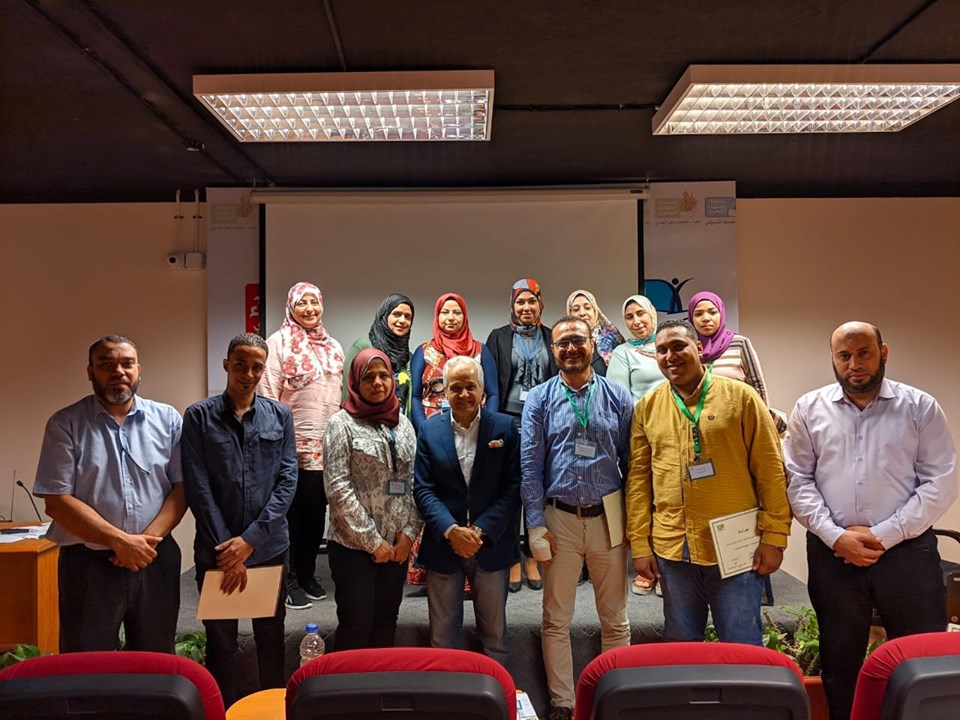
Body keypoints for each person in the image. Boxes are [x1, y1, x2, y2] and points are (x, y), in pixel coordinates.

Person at [783, 321, 957, 720]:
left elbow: (941, 480)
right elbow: (797, 480)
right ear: (833, 358)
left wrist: (883, 535)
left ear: (883, 353)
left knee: (920, 657)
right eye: (844, 356)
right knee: (839, 661)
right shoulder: (809, 409)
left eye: (864, 353)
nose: (854, 364)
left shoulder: (920, 406)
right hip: (834, 554)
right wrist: (835, 536)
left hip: (907, 552)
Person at [626, 319, 791, 647]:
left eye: (678, 346)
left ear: (699, 348)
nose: (670, 356)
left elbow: (770, 470)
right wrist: (640, 544)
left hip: (735, 548)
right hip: (673, 546)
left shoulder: (741, 397)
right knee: (681, 643)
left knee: (741, 644)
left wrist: (775, 537)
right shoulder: (647, 408)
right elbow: (638, 481)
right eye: (662, 350)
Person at [34, 335, 185, 653]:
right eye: (106, 364)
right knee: (87, 661)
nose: (118, 371)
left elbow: (181, 489)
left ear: (139, 369)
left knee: (156, 658)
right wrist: (120, 542)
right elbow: (57, 501)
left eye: (127, 363)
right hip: (89, 565)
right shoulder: (65, 424)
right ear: (90, 371)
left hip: (154, 558)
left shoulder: (168, 419)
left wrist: (143, 545)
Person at [521, 315, 634, 720]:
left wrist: (634, 523)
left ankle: (614, 697)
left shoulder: (619, 396)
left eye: (578, 340)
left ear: (592, 345)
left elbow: (632, 463)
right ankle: (563, 703)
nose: (571, 348)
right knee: (556, 619)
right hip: (560, 520)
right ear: (553, 350)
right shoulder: (539, 399)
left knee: (615, 619)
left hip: (609, 518)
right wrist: (535, 525)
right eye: (563, 342)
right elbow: (530, 467)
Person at [182, 333, 297, 708]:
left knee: (271, 636)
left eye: (256, 367)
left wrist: (249, 541)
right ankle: (223, 710)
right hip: (216, 551)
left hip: (268, 548)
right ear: (226, 364)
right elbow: (198, 486)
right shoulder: (198, 416)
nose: (248, 374)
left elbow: (287, 480)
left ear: (264, 369)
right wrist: (228, 550)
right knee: (221, 643)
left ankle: (273, 708)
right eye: (241, 365)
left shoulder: (280, 415)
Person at [414, 355, 521, 663]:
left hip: (491, 544)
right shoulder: (429, 431)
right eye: (455, 387)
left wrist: (480, 530)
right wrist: (452, 531)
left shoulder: (504, 427)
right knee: (442, 637)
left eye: (470, 386)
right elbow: (423, 489)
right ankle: (449, 691)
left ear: (482, 390)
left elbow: (514, 486)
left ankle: (497, 690)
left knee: (495, 637)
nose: (463, 394)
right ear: (445, 391)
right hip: (443, 544)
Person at [323, 348, 421, 650]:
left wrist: (408, 534)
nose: (378, 383)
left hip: (396, 546)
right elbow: (337, 488)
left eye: (383, 376)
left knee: (386, 622)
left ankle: (381, 680)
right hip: (353, 547)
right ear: (355, 381)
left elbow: (414, 481)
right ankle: (347, 683)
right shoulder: (340, 424)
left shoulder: (403, 423)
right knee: (356, 624)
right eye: (369, 377)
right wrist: (373, 542)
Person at [258, 281, 343, 609]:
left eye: (314, 302)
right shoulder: (277, 343)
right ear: (291, 307)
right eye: (302, 303)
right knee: (290, 515)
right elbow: (267, 397)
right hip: (290, 448)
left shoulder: (333, 346)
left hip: (326, 447)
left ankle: (307, 573)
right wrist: (275, 447)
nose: (309, 309)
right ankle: (289, 579)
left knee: (315, 512)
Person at [485, 278, 558, 592]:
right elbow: (491, 386)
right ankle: (512, 558)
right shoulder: (498, 337)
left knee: (537, 490)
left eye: (531, 301)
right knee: (510, 490)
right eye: (520, 302)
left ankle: (532, 557)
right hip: (508, 422)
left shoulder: (552, 336)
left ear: (540, 303)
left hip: (544, 422)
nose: (526, 307)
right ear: (512, 305)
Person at [606, 294, 666, 596]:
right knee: (643, 497)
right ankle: (647, 566)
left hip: (675, 431)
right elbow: (620, 399)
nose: (636, 321)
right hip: (641, 434)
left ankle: (668, 567)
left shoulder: (668, 343)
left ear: (652, 313)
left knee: (670, 497)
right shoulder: (623, 353)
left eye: (641, 313)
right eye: (629, 317)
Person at [687, 291, 785, 433]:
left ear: (721, 314)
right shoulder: (688, 348)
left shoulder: (739, 343)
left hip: (740, 423)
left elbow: (757, 385)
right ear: (691, 318)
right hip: (702, 427)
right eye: (698, 314)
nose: (706, 318)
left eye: (712, 312)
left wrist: (761, 425)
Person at [410, 292, 499, 433]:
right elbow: (415, 397)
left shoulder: (480, 351)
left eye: (457, 312)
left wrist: (488, 427)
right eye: (445, 312)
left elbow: (493, 394)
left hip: (474, 427)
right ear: (437, 316)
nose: (451, 317)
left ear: (464, 316)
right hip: (432, 427)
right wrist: (424, 428)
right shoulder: (423, 352)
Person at [343, 293, 415, 415]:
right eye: (397, 314)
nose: (402, 320)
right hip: (364, 420)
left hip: (399, 423)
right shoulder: (363, 347)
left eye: (407, 317)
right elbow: (347, 389)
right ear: (384, 316)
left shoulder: (409, 358)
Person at [566, 289, 624, 369]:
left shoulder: (612, 337)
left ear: (595, 311)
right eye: (576, 309)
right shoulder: (563, 340)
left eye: (587, 308)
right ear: (569, 313)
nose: (582, 313)